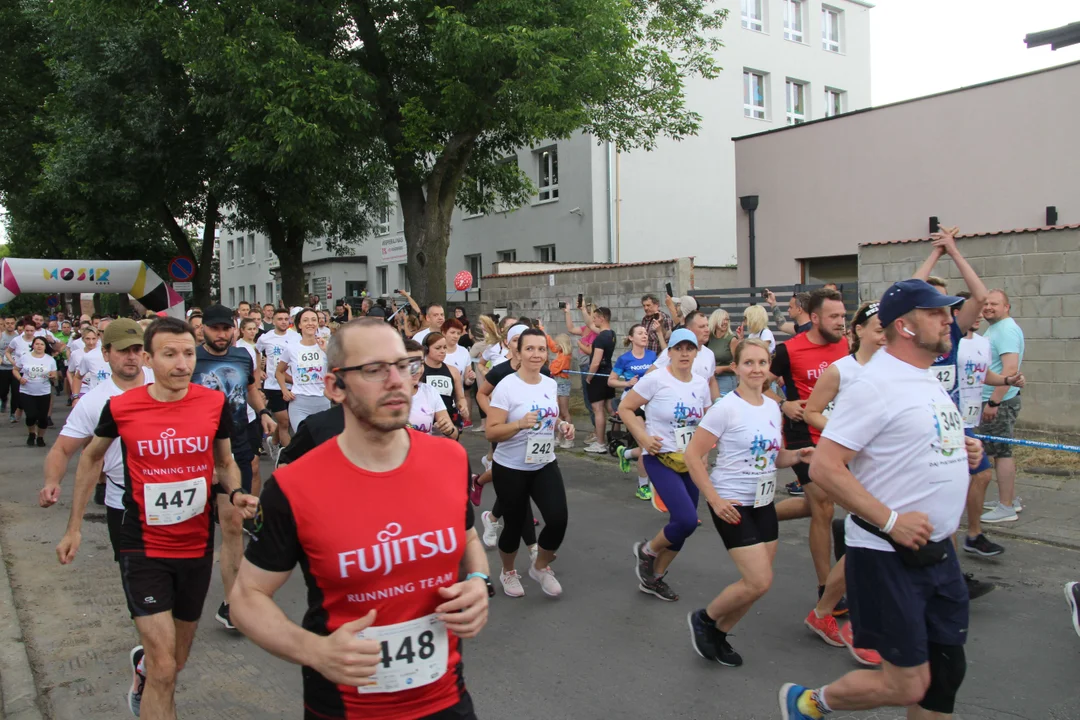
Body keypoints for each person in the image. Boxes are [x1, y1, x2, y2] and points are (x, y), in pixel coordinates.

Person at [230, 318, 490, 719]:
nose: (395, 381)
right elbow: (246, 598)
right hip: (346, 706)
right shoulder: (293, 487)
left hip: (446, 698)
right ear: (335, 387)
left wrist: (477, 581)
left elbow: (469, 537)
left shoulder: (450, 459)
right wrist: (313, 650)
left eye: (403, 366)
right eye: (373, 369)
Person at [780, 278, 984, 720]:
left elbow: (916, 439)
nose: (950, 319)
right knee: (906, 682)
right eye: (937, 313)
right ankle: (809, 703)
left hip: (938, 551)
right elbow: (825, 466)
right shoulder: (874, 385)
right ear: (906, 326)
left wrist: (965, 447)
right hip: (888, 553)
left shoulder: (925, 378)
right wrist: (891, 521)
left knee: (945, 674)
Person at [56, 316, 257, 719]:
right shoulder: (122, 406)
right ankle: (153, 674)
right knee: (166, 667)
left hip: (196, 545)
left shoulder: (211, 403)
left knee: (173, 662)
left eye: (187, 353)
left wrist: (234, 492)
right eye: (169, 355)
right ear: (149, 358)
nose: (182, 364)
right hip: (143, 545)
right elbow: (91, 457)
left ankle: (144, 669)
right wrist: (74, 526)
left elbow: (225, 461)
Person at [686, 339, 814, 667]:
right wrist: (714, 501)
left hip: (764, 502)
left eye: (762, 363)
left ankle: (719, 634)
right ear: (737, 367)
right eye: (749, 363)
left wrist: (798, 455)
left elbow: (773, 457)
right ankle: (705, 619)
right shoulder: (725, 407)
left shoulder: (772, 407)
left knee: (757, 584)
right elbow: (693, 455)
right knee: (758, 580)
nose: (756, 369)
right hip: (732, 502)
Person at [799, 302, 886, 665]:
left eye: (889, 329)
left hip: (889, 466)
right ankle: (828, 613)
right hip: (854, 467)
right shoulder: (842, 370)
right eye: (879, 328)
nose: (885, 335)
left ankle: (834, 612)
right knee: (872, 542)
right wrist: (847, 435)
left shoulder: (897, 368)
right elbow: (811, 411)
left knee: (877, 543)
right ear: (858, 331)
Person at [195, 305, 278, 630]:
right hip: (196, 449)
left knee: (231, 527)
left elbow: (250, 390)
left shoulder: (244, 356)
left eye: (225, 328)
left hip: (236, 444)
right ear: (203, 330)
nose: (221, 335)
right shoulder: (191, 359)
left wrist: (264, 413)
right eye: (214, 329)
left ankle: (232, 604)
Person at [767, 288, 849, 610]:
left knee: (818, 505)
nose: (841, 322)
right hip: (803, 435)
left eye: (843, 316)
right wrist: (784, 403)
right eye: (834, 317)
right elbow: (760, 384)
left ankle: (761, 516)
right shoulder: (789, 350)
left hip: (837, 434)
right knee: (825, 506)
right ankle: (826, 588)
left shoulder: (845, 345)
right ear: (814, 318)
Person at [621, 328, 711, 602]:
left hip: (689, 462)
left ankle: (654, 578)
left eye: (689, 348)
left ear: (696, 352)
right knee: (685, 518)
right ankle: (647, 551)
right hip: (660, 459)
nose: (684, 353)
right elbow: (625, 408)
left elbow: (704, 424)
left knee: (685, 525)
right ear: (669, 352)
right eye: (678, 348)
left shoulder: (700, 383)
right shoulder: (656, 379)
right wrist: (644, 438)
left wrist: (703, 456)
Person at [486, 327, 574, 597]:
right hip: (511, 467)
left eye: (541, 349)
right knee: (513, 525)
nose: (536, 355)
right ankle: (508, 571)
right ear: (519, 352)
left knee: (558, 519)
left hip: (544, 462)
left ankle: (539, 566)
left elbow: (551, 417)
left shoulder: (549, 382)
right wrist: (519, 424)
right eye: (530, 349)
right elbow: (492, 431)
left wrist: (561, 425)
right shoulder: (506, 386)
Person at [40, 320, 153, 510]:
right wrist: (52, 481)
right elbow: (62, 450)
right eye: (123, 350)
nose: (132, 356)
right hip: (122, 497)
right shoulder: (93, 401)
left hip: (174, 492)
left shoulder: (165, 384)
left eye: (136, 349)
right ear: (106, 354)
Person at [977, 289, 1025, 524]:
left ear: (1007, 307)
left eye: (994, 304)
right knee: (999, 451)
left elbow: (1010, 370)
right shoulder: (994, 328)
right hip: (993, 399)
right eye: (985, 303)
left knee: (1002, 451)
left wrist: (994, 401)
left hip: (999, 401)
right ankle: (1009, 500)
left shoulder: (1005, 330)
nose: (988, 307)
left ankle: (1006, 506)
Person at [610, 324, 658, 500]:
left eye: (645, 333)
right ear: (631, 338)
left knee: (653, 445)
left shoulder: (653, 356)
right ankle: (642, 486)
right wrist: (627, 384)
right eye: (640, 333)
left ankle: (626, 453)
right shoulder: (625, 359)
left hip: (650, 402)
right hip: (631, 403)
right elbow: (611, 381)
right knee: (646, 445)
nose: (644, 335)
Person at [277, 308, 331, 433]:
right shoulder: (291, 348)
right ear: (299, 325)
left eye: (313, 320)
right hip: (300, 403)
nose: (310, 323)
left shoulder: (327, 345)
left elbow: (338, 369)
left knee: (321, 443)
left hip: (323, 401)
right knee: (304, 441)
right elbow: (279, 371)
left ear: (318, 323)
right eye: (305, 320)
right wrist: (284, 390)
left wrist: (326, 351)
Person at [649, 311, 721, 402]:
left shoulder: (709, 354)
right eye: (702, 327)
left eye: (707, 325)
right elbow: (649, 375)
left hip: (698, 408)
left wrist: (717, 402)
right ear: (689, 330)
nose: (707, 330)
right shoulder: (674, 352)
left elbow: (711, 380)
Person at [257, 307, 299, 449]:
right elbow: (257, 351)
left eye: (286, 319)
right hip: (273, 385)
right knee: (284, 422)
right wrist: (259, 369)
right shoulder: (265, 338)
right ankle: (289, 456)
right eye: (280, 319)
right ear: (273, 321)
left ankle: (273, 442)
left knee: (286, 423)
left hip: (293, 384)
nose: (283, 322)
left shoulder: (296, 337)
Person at [563, 301, 600, 436]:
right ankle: (595, 429)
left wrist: (579, 343)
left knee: (592, 401)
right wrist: (567, 313)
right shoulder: (585, 329)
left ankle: (597, 431)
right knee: (587, 400)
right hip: (583, 366)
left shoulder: (597, 332)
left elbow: (591, 351)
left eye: (590, 314)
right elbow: (571, 328)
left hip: (589, 366)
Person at [584, 307, 617, 454]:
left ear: (602, 318)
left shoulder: (599, 339)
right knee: (611, 408)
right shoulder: (611, 335)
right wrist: (583, 309)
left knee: (598, 410)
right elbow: (591, 326)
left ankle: (600, 443)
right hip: (608, 374)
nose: (593, 320)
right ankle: (615, 438)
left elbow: (596, 362)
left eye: (595, 317)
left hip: (598, 376)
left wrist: (589, 377)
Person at [14, 336, 57, 446]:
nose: (39, 346)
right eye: (37, 344)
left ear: (45, 346)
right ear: (33, 345)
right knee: (31, 416)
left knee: (43, 418)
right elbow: (15, 369)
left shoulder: (50, 359)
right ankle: (32, 433)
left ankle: (40, 437)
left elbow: (54, 374)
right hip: (27, 391)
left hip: (44, 392)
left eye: (42, 344)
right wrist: (20, 378)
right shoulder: (25, 357)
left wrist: (52, 377)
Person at [420, 332, 468, 430]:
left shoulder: (453, 371)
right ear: (426, 349)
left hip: (448, 420)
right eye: (438, 348)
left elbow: (460, 397)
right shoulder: (419, 371)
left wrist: (463, 407)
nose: (442, 351)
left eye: (445, 347)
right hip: (424, 421)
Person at [550, 334, 575, 448]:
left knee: (565, 412)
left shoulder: (565, 357)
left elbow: (555, 369)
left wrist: (552, 366)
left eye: (557, 344)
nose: (555, 346)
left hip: (562, 384)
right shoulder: (560, 354)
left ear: (562, 345)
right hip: (557, 383)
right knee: (559, 412)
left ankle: (569, 439)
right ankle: (559, 438)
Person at [707, 309, 737, 396]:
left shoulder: (732, 339)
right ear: (715, 321)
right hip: (711, 378)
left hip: (726, 379)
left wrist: (722, 368)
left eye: (727, 319)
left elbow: (738, 364)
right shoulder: (710, 338)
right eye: (722, 319)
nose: (725, 322)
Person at [1, 315, 19, 420]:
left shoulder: (18, 336)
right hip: (2, 368)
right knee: (3, 390)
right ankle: (3, 400)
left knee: (16, 392)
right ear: (4, 324)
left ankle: (13, 413)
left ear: (15, 324)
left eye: (12, 323)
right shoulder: (1, 336)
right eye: (7, 323)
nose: (9, 325)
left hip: (15, 369)